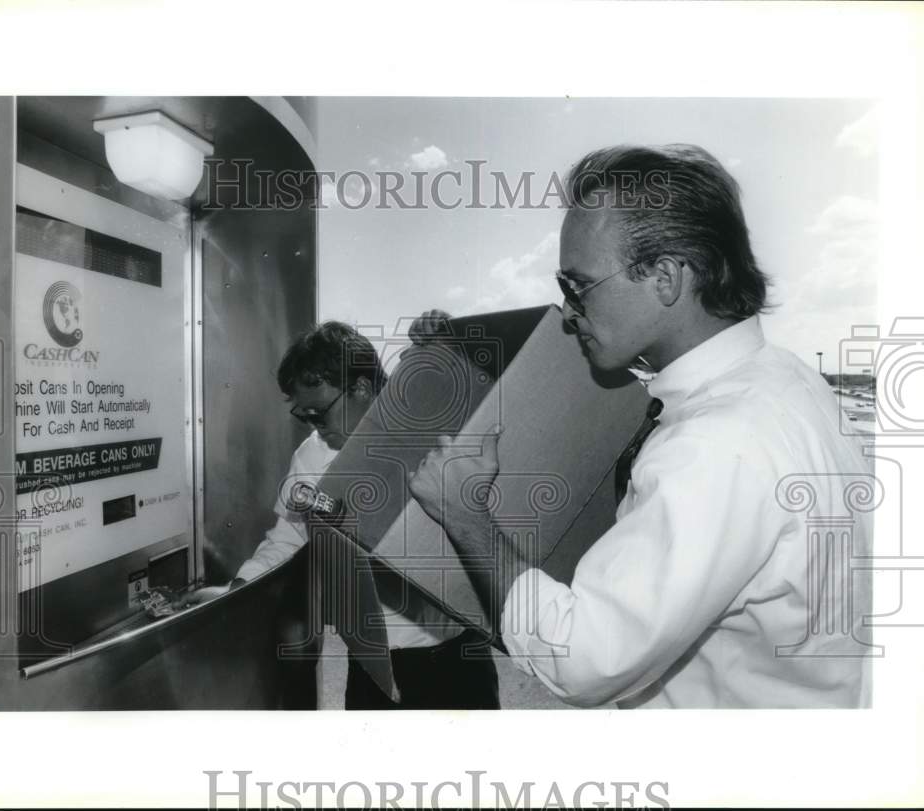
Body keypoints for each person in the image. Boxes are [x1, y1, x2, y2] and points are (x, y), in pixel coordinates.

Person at [408, 144, 873, 708]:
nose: (569, 313)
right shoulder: (787, 380)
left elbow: (583, 659)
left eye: (578, 287)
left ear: (665, 278)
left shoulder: (715, 442)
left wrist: (467, 514)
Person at [182, 318, 500, 710]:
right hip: (372, 665)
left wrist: (449, 342)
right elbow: (288, 539)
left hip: (454, 657)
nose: (314, 427)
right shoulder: (313, 456)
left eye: (319, 414)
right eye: (304, 417)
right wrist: (236, 593)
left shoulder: (432, 434)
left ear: (362, 388)